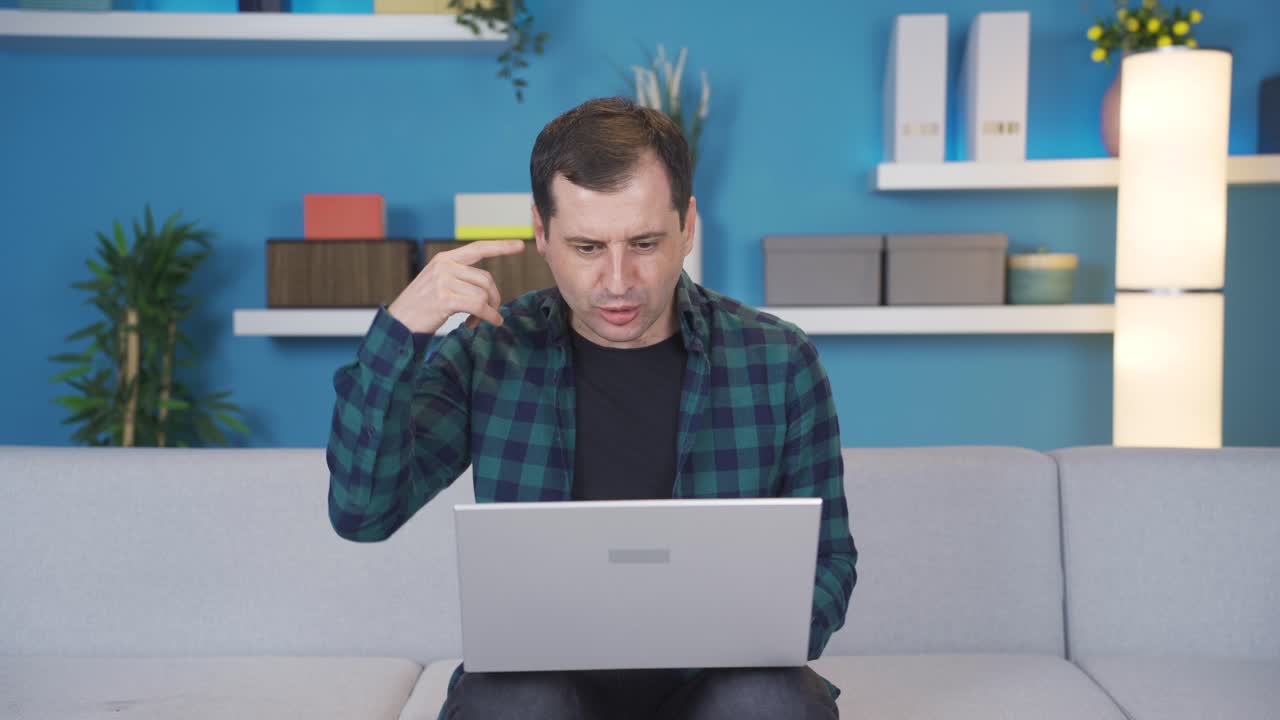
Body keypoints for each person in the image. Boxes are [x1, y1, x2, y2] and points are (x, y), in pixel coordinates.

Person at [327, 96, 857, 720]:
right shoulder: (490, 349)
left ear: (688, 226)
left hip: (716, 683)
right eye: (585, 247)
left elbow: (831, 560)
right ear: (541, 233)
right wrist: (401, 332)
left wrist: (765, 636)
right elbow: (362, 514)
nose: (617, 280)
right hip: (543, 682)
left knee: (770, 701)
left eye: (644, 242)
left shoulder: (779, 360)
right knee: (518, 703)